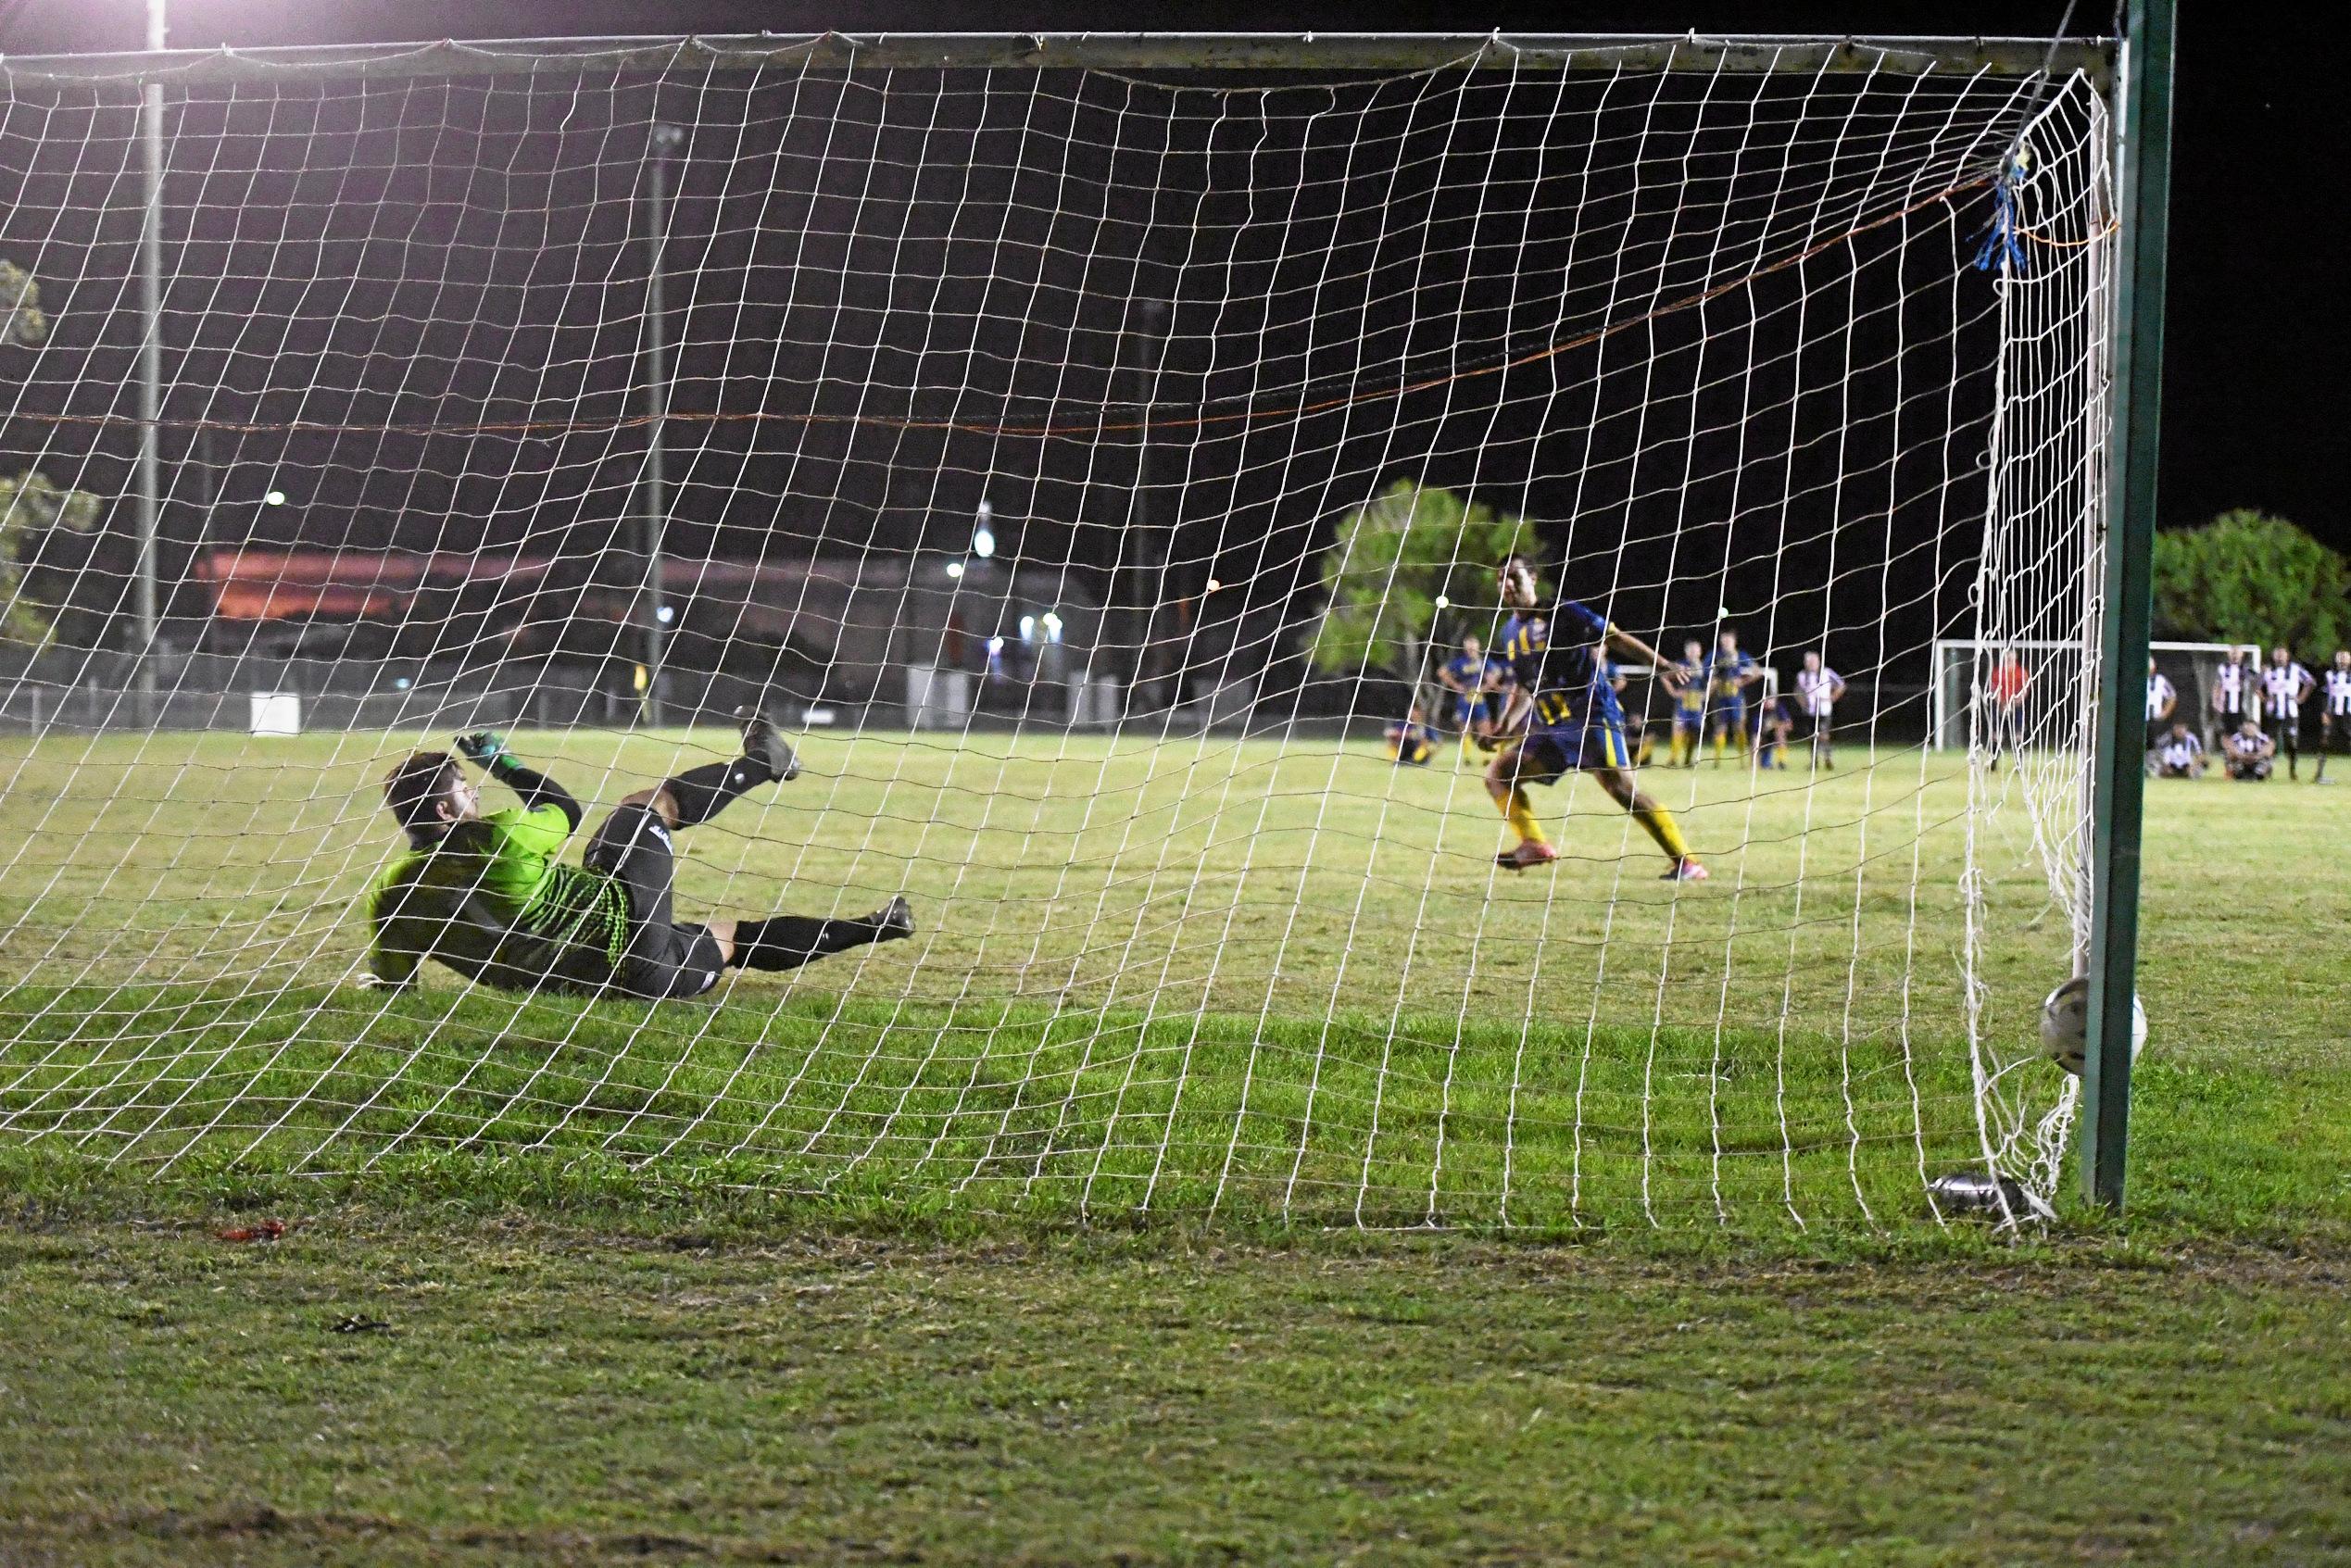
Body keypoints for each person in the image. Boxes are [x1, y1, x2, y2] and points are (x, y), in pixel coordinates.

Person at [363, 715, 913, 998]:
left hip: (633, 983)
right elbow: (564, 808)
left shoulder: (390, 894)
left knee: (729, 939)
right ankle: (763, 761)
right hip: (628, 935)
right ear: (443, 808)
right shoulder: (498, 839)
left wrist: (387, 985)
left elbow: (394, 980)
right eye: (466, 788)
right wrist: (504, 764)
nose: (476, 794)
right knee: (644, 808)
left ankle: (879, 926)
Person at [1484, 554, 1706, 881]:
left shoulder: (1563, 612)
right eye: (1502, 579)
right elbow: (1525, 684)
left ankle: (1687, 863)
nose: (1508, 585)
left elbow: (1614, 637)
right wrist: (1503, 726)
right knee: (1499, 774)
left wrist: (1663, 665)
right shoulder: (1508, 632)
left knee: (1623, 790)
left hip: (1591, 716)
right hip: (1553, 726)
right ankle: (1533, 843)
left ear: (1533, 577)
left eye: (1514, 576)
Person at [1437, 633, 1505, 756]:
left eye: (1473, 646)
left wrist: (1487, 686)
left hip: (1479, 697)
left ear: (1478, 647)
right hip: (1464, 697)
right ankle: (1467, 757)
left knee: (1484, 726)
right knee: (1464, 727)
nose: (1471, 649)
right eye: (1469, 646)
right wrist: (1456, 685)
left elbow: (1497, 672)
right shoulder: (1460, 662)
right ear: (1465, 647)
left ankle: (1486, 756)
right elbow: (1442, 672)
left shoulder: (1484, 662)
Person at [1704, 629, 1762, 765]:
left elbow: (1757, 671)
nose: (1726, 642)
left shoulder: (1741, 655)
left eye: (1729, 640)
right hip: (1720, 697)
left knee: (1739, 727)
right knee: (1720, 728)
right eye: (1724, 639)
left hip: (1736, 698)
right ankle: (1717, 760)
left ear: (1734, 641)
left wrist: (1743, 681)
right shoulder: (1714, 655)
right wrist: (1713, 680)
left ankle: (1742, 759)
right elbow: (1705, 671)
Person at [2258, 646, 2316, 780]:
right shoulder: (2267, 670)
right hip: (2273, 711)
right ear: (2273, 656)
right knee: (2270, 741)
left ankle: (2292, 769)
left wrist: (2301, 698)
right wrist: (2264, 699)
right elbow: (2256, 685)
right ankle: (2268, 769)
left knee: (2292, 741)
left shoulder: (2295, 669)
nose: (2279, 657)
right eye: (2277, 655)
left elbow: (2310, 682)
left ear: (2287, 656)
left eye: (2282, 655)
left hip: (2291, 711)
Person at [1792, 650, 1846, 769]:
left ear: (1818, 662)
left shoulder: (1827, 672)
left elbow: (1841, 684)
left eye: (1814, 661)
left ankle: (1828, 758)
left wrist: (1833, 697)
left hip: (1824, 710)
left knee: (1824, 735)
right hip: (1809, 711)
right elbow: (1797, 691)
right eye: (1809, 661)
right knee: (1811, 736)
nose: (1811, 664)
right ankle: (1814, 762)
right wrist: (1802, 702)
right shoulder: (1801, 675)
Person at [1666, 638, 1708, 766]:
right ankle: (1673, 759)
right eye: (1691, 650)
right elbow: (1664, 676)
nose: (1693, 652)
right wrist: (1673, 692)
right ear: (1686, 651)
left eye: (1696, 650)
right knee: (1679, 728)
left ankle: (1688, 760)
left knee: (1693, 732)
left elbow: (1714, 681)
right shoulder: (1680, 664)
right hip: (1683, 701)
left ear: (1700, 652)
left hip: (1696, 702)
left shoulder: (1704, 666)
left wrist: (1706, 694)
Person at [1984, 652, 2030, 768]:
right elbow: (1993, 688)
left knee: (2018, 736)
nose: (2009, 659)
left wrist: (2016, 702)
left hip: (2017, 707)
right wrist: (2001, 702)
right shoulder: (1998, 672)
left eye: (2011, 657)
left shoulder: (2021, 672)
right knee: (1997, 735)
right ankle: (1993, 762)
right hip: (2001, 706)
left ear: (2015, 658)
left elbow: (2024, 690)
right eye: (2007, 657)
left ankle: (2019, 764)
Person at [2318, 649, 2351, 784]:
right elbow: (2324, 695)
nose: (2343, 661)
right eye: (2340, 658)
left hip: (2348, 715)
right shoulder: (2330, 675)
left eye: (2345, 658)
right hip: (2332, 714)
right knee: (2325, 740)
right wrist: (2324, 712)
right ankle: (2319, 773)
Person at [2208, 646, 2254, 744]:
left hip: (2241, 706)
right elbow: (2217, 685)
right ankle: (2227, 751)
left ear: (2241, 655)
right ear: (2229, 655)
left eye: (2237, 653)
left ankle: (2242, 749)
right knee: (2226, 730)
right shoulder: (2223, 668)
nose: (2235, 656)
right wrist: (2215, 702)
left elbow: (2256, 681)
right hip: (2225, 705)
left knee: (2242, 729)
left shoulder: (2246, 669)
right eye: (2233, 653)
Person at [1384, 700, 1440, 766]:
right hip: (1405, 747)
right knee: (1392, 742)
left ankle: (1418, 760)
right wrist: (1398, 734)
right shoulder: (1403, 723)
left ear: (1420, 712)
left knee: (1425, 744)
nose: (1411, 713)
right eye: (1410, 711)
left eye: (1414, 711)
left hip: (1419, 750)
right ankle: (1397, 760)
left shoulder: (1426, 726)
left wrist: (1430, 750)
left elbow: (1438, 742)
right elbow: (1388, 732)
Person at [2222, 718, 2276, 783]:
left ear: (2256, 729)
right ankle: (2238, 773)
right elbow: (2230, 749)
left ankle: (2259, 774)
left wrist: (2256, 756)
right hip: (2241, 760)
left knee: (2268, 759)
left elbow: (2269, 750)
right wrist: (2243, 756)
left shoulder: (2264, 738)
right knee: (2228, 756)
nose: (2250, 729)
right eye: (2248, 727)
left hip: (2257, 760)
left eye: (2252, 728)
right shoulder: (2236, 738)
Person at [1751, 692, 1792, 770]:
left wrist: (1776, 725)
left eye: (1771, 700)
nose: (1769, 702)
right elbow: (1755, 730)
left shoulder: (1779, 708)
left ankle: (1781, 762)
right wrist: (1766, 728)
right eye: (1767, 700)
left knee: (1780, 733)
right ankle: (1754, 764)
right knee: (1755, 739)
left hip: (1774, 735)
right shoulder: (1760, 711)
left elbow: (1789, 726)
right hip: (1764, 736)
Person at [2144, 657, 2176, 751]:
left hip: (2154, 719)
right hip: (2138, 719)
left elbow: (2172, 696)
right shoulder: (2135, 680)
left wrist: (2165, 713)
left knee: (2153, 745)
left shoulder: (2160, 680)